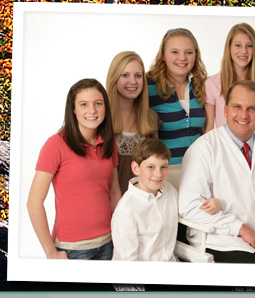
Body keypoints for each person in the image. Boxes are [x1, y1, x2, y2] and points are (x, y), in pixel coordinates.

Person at [178, 80, 255, 264]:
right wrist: (241, 229)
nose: (244, 115)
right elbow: (190, 207)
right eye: (237, 107)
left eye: (252, 109)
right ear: (225, 110)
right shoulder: (204, 148)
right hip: (221, 239)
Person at [27, 78, 121, 260]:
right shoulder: (56, 144)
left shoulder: (109, 142)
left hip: (108, 243)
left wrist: (120, 239)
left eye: (98, 103)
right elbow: (33, 203)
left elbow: (115, 193)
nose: (92, 110)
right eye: (84, 104)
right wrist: (50, 252)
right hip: (73, 249)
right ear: (73, 109)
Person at [147, 28, 207, 190]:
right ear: (163, 55)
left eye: (189, 52)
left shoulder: (202, 85)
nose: (182, 58)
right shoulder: (147, 86)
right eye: (175, 51)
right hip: (163, 175)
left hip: (199, 173)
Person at [111, 138, 178, 262]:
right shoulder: (126, 210)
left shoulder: (170, 190)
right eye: (151, 167)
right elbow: (127, 261)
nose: (158, 174)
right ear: (136, 168)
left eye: (164, 167)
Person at [204, 23, 255, 132]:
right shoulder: (212, 84)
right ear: (229, 48)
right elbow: (208, 132)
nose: (244, 51)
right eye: (238, 45)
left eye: (249, 46)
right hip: (223, 148)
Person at [106, 51, 159, 195]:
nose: (133, 81)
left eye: (138, 75)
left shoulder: (151, 119)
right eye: (125, 75)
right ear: (114, 78)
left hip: (144, 206)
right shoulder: (101, 118)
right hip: (109, 206)